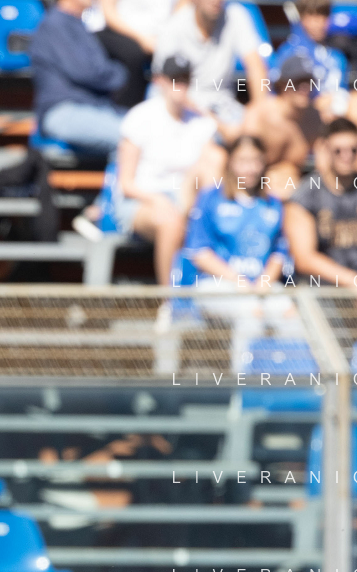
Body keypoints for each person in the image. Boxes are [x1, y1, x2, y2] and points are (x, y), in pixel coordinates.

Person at [183, 135, 299, 371]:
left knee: (291, 313)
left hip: (262, 285)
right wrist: (239, 281)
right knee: (251, 313)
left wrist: (264, 282)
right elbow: (199, 252)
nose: (250, 168)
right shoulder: (211, 198)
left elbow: (279, 252)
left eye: (256, 161)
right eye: (243, 160)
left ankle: (296, 384)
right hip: (216, 284)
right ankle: (244, 385)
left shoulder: (273, 203)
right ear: (231, 162)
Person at [113, 54, 220, 284]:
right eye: (174, 79)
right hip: (143, 200)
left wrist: (204, 111)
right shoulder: (140, 117)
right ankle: (170, 296)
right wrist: (158, 200)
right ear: (159, 81)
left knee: (215, 158)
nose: (179, 86)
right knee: (170, 220)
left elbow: (235, 142)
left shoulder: (200, 121)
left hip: (185, 198)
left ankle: (222, 278)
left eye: (184, 79)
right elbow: (126, 183)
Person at [30, 0, 129, 158]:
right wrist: (119, 74)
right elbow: (86, 72)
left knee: (149, 129)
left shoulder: (78, 24)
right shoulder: (54, 24)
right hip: (63, 111)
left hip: (96, 108)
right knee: (134, 139)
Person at [153, 0, 266, 137]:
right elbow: (168, 88)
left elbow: (256, 68)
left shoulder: (236, 15)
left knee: (267, 131)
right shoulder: (175, 25)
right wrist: (219, 126)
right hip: (182, 110)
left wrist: (256, 114)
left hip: (224, 107)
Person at [284, 116, 357, 288]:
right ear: (325, 149)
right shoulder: (306, 195)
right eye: (338, 150)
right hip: (320, 292)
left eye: (353, 150)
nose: (346, 156)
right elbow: (304, 259)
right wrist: (352, 280)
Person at [240, 54, 324, 198]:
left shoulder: (314, 119)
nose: (305, 88)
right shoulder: (259, 115)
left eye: (309, 82)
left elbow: (325, 160)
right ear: (283, 84)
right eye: (298, 82)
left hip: (294, 187)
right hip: (254, 186)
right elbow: (243, 159)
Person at [270, 0, 348, 117]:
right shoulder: (288, 52)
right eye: (312, 15)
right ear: (301, 17)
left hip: (332, 114)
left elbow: (340, 92)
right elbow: (277, 94)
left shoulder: (337, 58)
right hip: (299, 115)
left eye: (324, 15)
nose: (319, 22)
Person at [93, 0, 175, 109]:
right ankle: (126, 110)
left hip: (162, 38)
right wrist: (142, 39)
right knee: (134, 56)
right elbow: (108, 12)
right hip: (123, 33)